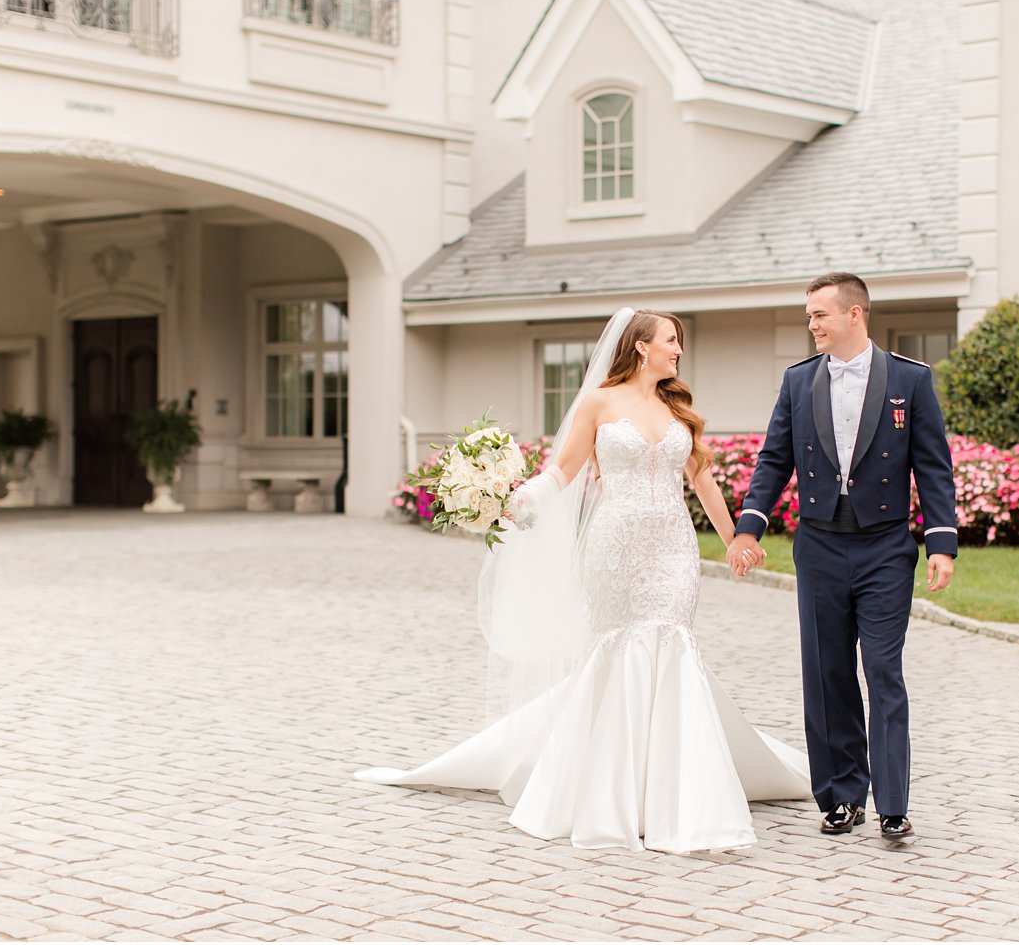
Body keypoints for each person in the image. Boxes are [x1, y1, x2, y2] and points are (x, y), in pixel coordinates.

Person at [357, 308, 810, 853]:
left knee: (673, 645)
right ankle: (611, 795)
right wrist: (516, 498)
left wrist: (737, 537)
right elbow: (563, 472)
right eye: (671, 341)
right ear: (641, 346)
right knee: (620, 652)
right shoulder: (599, 402)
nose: (678, 351)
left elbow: (704, 482)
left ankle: (679, 795)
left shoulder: (679, 409)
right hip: (614, 547)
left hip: (672, 549)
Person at [727, 272, 957, 841]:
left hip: (885, 546)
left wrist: (941, 543)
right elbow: (773, 461)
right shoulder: (798, 382)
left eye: (819, 315)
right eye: (809, 315)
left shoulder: (911, 379)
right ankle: (841, 796)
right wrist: (749, 529)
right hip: (821, 545)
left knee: (883, 670)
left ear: (854, 314)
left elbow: (933, 467)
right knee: (827, 674)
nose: (811, 325)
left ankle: (893, 802)